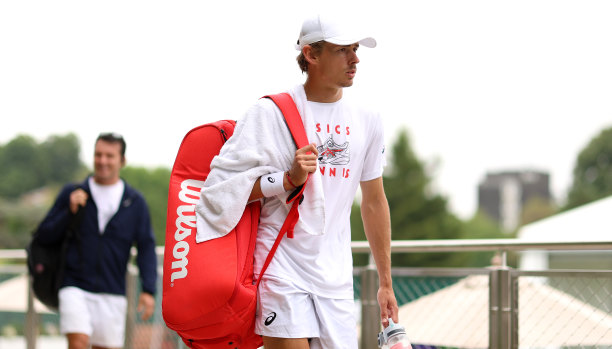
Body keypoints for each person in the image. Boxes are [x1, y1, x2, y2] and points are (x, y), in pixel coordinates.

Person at [195, 13, 398, 349]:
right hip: (281, 268)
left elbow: (374, 202)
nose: (355, 58)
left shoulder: (368, 119)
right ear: (311, 54)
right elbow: (219, 192)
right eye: (343, 50)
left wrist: (385, 282)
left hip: (335, 278)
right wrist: (287, 179)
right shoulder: (269, 113)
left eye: (356, 49)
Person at [36, 132, 158, 349]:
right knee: (78, 342)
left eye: (109, 156)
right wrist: (69, 212)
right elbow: (44, 235)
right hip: (74, 285)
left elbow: (146, 247)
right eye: (98, 155)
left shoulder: (135, 202)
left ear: (122, 161)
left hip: (113, 291)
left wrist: (148, 290)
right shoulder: (72, 193)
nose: (102, 161)